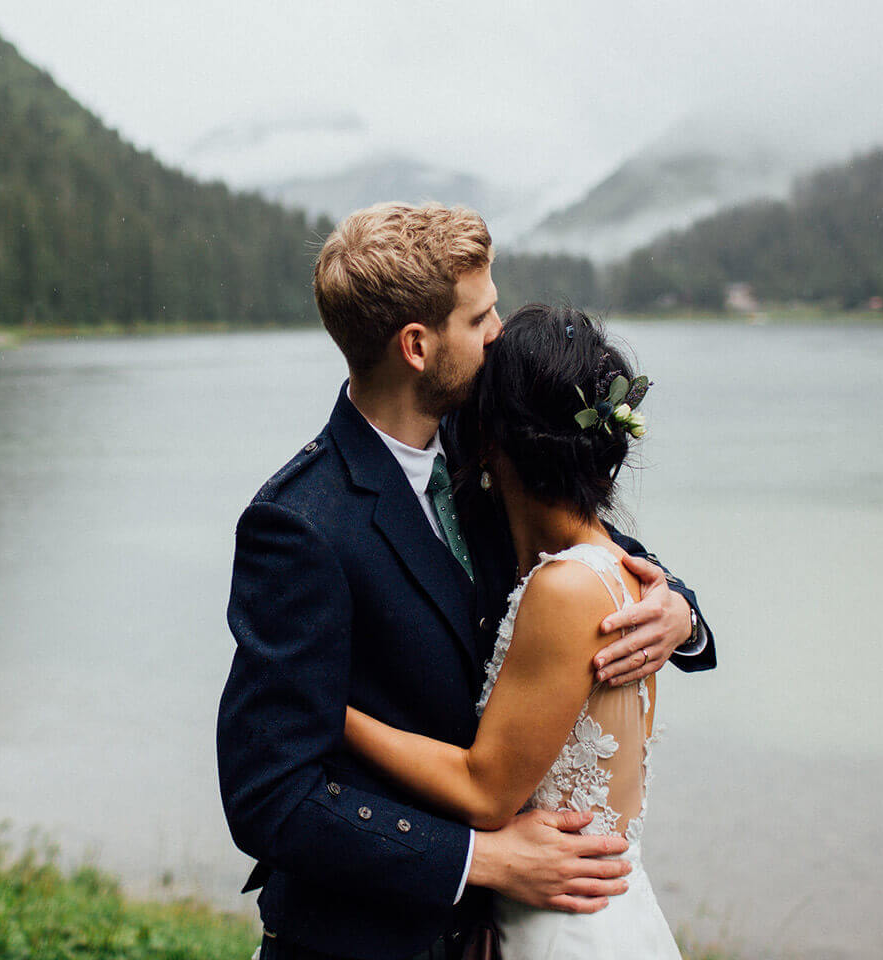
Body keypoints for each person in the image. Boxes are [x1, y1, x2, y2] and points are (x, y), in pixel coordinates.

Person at [218, 202, 714, 960]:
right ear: (417, 346)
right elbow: (268, 796)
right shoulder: (300, 525)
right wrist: (478, 860)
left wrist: (678, 607)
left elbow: (595, 552)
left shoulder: (493, 447)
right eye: (480, 317)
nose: (498, 334)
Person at [344, 303, 685, 958]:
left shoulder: (565, 588)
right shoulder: (621, 572)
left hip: (564, 928)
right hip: (588, 911)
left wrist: (334, 713)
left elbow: (486, 789)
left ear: (493, 442)